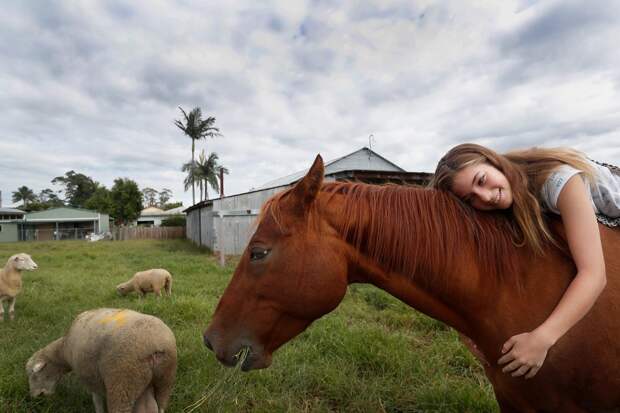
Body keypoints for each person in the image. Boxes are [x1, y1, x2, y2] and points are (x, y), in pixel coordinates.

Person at [430, 143, 620, 379]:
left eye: (481, 180)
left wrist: (542, 339)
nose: (486, 197)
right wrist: (470, 332)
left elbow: (593, 274)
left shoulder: (558, 182)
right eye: (471, 199)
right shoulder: (505, 197)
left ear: (492, 161)